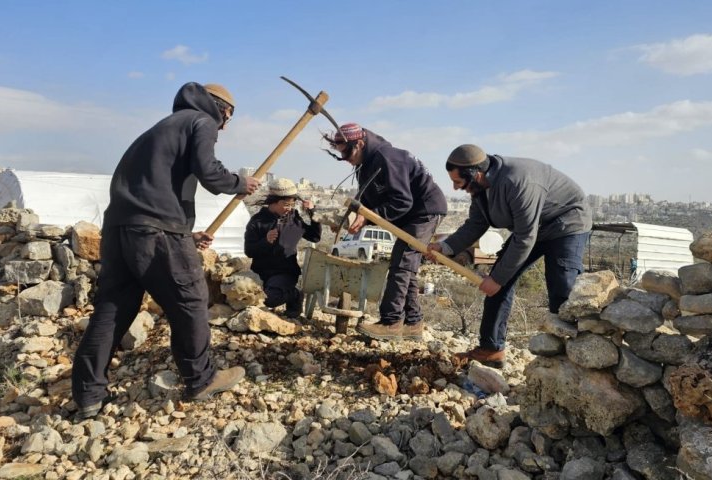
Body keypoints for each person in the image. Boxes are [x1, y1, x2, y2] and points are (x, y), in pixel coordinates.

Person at [72, 82, 261, 420]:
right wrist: (239, 183)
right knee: (190, 300)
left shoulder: (160, 129)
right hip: (156, 229)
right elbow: (210, 173)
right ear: (217, 107)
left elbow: (153, 193)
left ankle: (88, 395)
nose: (225, 125)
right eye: (227, 116)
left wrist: (187, 237)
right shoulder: (201, 121)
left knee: (112, 309)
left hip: (120, 228)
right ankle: (201, 379)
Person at [427, 144, 591, 368]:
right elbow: (476, 223)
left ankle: (570, 358)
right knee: (498, 283)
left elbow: (524, 237)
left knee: (561, 287)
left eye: (458, 182)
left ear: (475, 174)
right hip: (533, 229)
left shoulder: (518, 181)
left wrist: (497, 279)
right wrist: (446, 247)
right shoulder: (479, 188)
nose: (455, 189)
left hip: (566, 224)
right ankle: (491, 350)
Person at [324, 123, 447, 340]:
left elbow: (402, 201)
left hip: (424, 211)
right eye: (339, 153)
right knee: (405, 265)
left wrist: (368, 216)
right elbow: (369, 199)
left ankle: (391, 323)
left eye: (346, 151)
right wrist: (357, 218)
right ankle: (413, 323)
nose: (344, 158)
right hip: (410, 213)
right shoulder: (365, 163)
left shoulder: (387, 158)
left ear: (360, 143)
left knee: (402, 263)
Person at [244, 178, 321, 318]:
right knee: (245, 297)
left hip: (285, 272)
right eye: (286, 204)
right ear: (274, 201)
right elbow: (249, 251)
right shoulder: (257, 221)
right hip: (261, 273)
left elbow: (314, 237)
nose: (289, 208)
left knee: (267, 299)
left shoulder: (293, 219)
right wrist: (265, 241)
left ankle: (295, 295)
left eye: (292, 205)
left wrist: (312, 213)